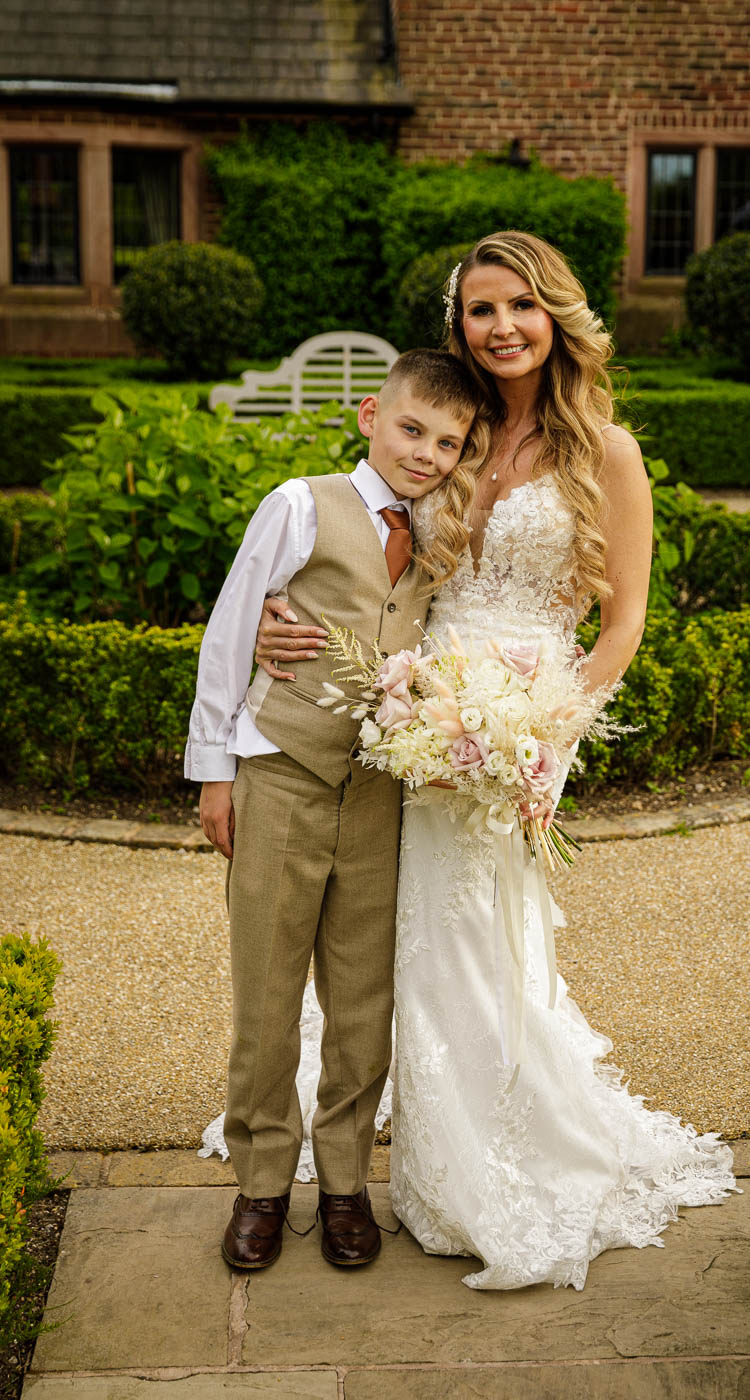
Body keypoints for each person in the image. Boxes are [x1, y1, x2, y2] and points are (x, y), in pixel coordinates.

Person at [252, 231, 738, 1291]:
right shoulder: (451, 432)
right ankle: (405, 1166)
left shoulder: (605, 449)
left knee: (479, 936)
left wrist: (546, 735)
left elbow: (622, 622)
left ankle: (497, 1161)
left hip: (521, 727)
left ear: (555, 313)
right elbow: (361, 548)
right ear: (458, 326)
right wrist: (276, 618)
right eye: (481, 310)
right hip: (412, 714)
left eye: (520, 304)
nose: (502, 326)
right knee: (397, 939)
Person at [186, 349, 485, 1273]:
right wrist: (214, 773)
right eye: (411, 429)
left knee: (363, 999)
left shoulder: (440, 533)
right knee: (267, 996)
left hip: (380, 793)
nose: (427, 453)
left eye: (449, 441)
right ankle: (263, 1184)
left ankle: (347, 1181)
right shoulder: (301, 503)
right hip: (279, 773)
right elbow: (234, 629)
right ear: (368, 415)